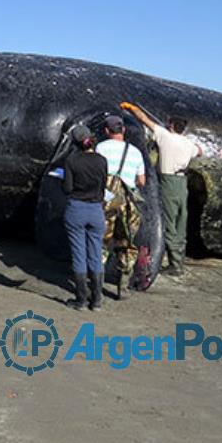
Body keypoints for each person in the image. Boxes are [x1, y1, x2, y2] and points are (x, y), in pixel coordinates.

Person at [120, 102, 202, 276]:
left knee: (169, 220)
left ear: (171, 125)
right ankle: (178, 259)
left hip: (168, 182)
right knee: (181, 221)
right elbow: (200, 151)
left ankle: (175, 265)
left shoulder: (165, 136)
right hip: (182, 184)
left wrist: (130, 107)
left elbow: (144, 119)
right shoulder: (188, 144)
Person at [96, 115, 146, 296]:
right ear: (123, 130)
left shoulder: (101, 148)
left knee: (101, 240)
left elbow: (96, 171)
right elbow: (141, 181)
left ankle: (96, 284)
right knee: (126, 242)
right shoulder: (135, 152)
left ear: (107, 131)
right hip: (128, 204)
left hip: (105, 201)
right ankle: (123, 286)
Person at [61, 124, 108, 311]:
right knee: (96, 254)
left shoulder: (71, 161)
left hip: (76, 209)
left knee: (78, 254)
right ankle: (97, 299)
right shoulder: (102, 161)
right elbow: (103, 185)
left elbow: (67, 188)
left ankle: (81, 299)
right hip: (96, 209)